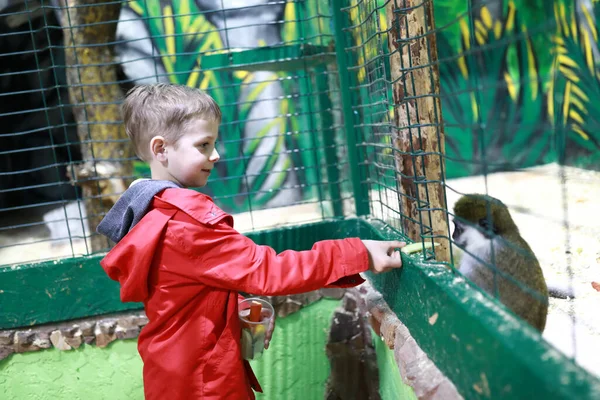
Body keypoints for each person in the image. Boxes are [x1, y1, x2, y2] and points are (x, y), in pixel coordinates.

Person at [97, 83, 406, 400]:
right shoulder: (188, 220)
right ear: (161, 149)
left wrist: (231, 307)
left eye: (213, 143)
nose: (215, 155)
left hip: (173, 372)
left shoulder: (151, 211)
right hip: (206, 383)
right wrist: (359, 252)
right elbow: (268, 270)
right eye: (203, 145)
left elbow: (180, 291)